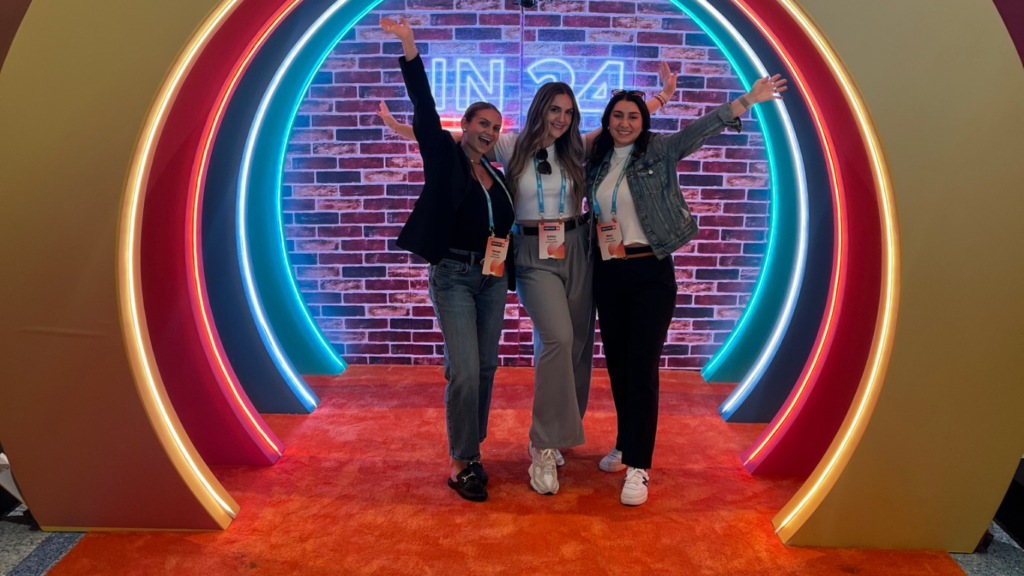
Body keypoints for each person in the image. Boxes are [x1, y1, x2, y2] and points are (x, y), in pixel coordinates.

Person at [379, 65, 677, 497]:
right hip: (533, 253)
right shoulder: (512, 144)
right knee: (556, 338)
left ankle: (559, 438)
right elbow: (454, 142)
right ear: (540, 109)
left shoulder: (579, 147)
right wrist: (401, 128)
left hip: (579, 247)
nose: (561, 118)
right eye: (555, 109)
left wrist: (662, 97)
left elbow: (623, 125)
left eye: (569, 112)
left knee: (575, 345)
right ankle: (542, 442)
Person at [586, 75, 787, 506]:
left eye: (633, 116)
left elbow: (700, 129)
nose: (625, 123)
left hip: (651, 271)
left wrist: (747, 101)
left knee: (641, 368)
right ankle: (625, 443)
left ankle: (640, 465)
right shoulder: (596, 161)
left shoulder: (659, 150)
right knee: (619, 367)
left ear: (643, 122)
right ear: (607, 121)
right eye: (618, 116)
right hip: (609, 273)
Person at [380, 16, 516, 503]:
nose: (489, 131)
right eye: (483, 123)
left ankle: (471, 449)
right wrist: (410, 47)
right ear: (466, 125)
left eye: (496, 128)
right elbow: (424, 106)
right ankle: (462, 461)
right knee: (463, 368)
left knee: (484, 368)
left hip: (492, 279)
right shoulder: (444, 155)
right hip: (454, 276)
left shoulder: (497, 174)